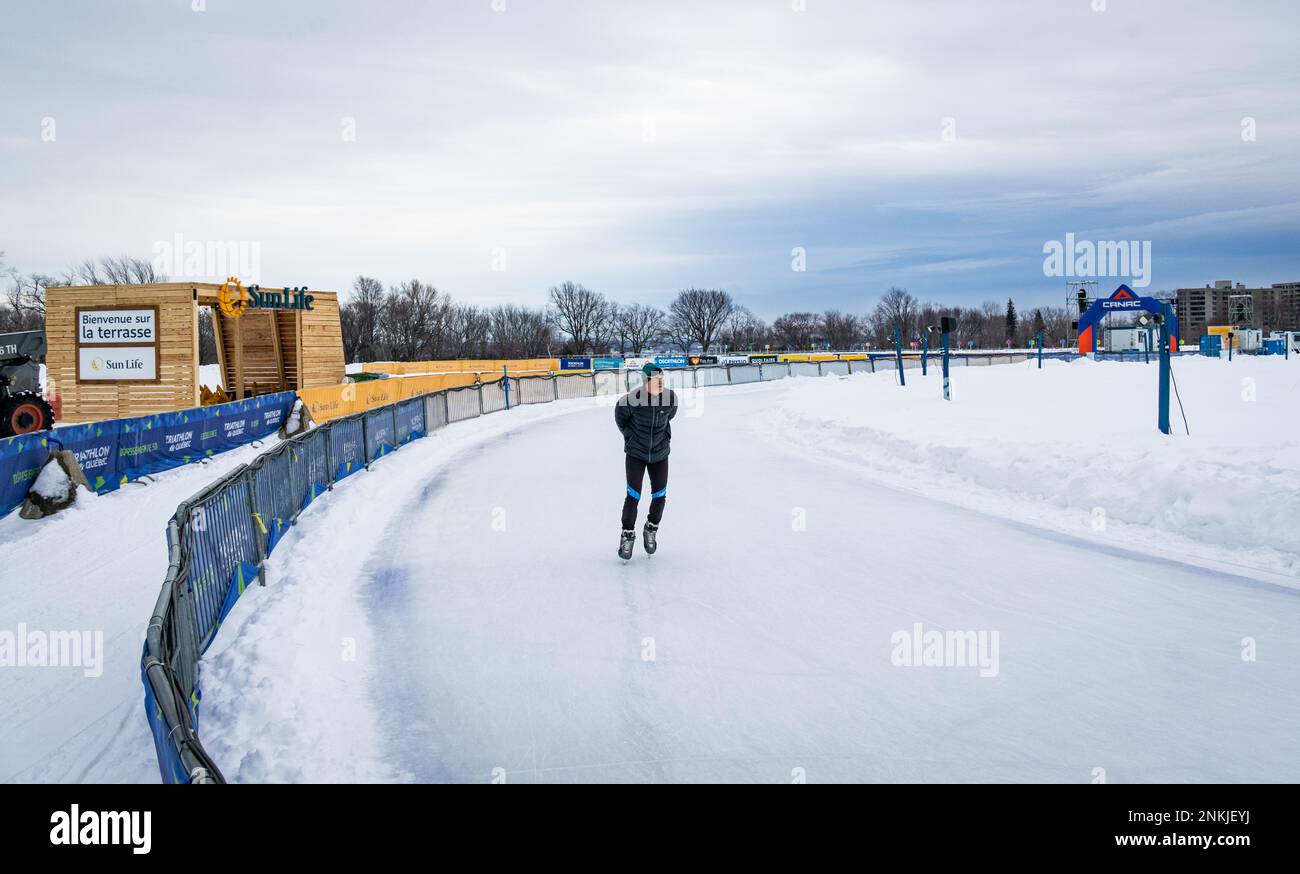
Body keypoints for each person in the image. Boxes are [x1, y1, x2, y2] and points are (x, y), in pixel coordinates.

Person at [614, 362, 678, 560]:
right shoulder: (631, 400)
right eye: (656, 379)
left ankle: (651, 528)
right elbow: (620, 418)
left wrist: (664, 438)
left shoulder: (670, 398)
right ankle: (627, 535)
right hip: (636, 453)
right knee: (633, 496)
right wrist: (629, 437)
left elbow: (670, 416)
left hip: (660, 453)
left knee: (660, 495)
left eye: (662, 378)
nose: (660, 382)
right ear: (646, 381)